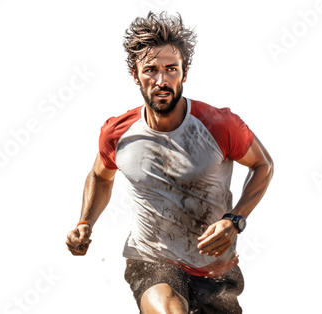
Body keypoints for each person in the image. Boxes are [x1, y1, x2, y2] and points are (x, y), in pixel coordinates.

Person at [66, 11, 274, 313]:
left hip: (216, 272)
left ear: (184, 73)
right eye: (150, 70)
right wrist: (85, 222)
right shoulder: (118, 132)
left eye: (171, 69)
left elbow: (263, 165)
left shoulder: (219, 124)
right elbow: (100, 177)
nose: (161, 80)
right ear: (135, 75)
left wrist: (235, 220)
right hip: (151, 262)